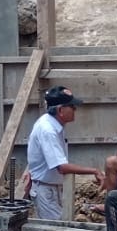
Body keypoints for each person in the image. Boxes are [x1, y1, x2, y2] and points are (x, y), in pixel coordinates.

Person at [24, 86, 102, 220]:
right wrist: (94, 170)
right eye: (71, 106)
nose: (75, 109)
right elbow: (61, 167)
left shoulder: (53, 125)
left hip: (52, 187)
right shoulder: (48, 130)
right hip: (46, 190)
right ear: (60, 110)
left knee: (59, 227)